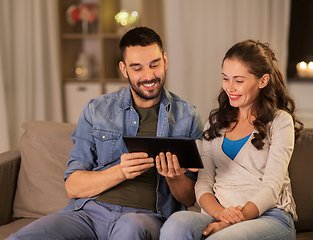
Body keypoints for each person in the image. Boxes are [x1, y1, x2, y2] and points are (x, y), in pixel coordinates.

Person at [7, 26, 203, 240]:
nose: (148, 76)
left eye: (154, 65)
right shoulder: (96, 109)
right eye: (137, 68)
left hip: (143, 216)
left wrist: (173, 176)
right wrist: (120, 171)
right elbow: (73, 187)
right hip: (88, 213)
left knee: (130, 228)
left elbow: (189, 198)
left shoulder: (188, 116)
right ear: (124, 69)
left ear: (165, 60)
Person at [160, 40, 303, 240]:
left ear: (262, 81)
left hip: (269, 216)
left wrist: (230, 222)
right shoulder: (215, 123)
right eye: (226, 78)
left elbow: (271, 188)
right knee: (174, 226)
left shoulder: (280, 122)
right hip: (218, 213)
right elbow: (204, 183)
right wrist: (220, 214)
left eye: (239, 80)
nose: (230, 88)